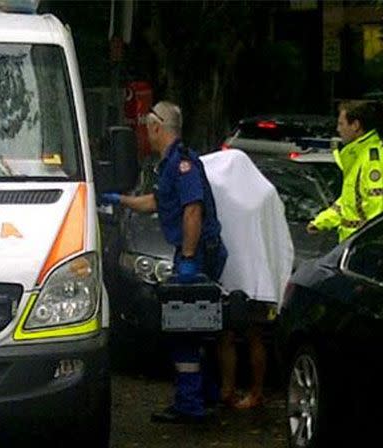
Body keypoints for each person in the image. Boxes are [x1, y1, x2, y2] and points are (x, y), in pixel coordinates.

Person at [100, 101, 227, 424]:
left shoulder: (182, 164)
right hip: (194, 252)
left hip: (196, 254)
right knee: (195, 328)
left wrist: (187, 258)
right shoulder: (170, 164)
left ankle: (190, 404)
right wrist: (121, 200)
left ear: (158, 127)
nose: (145, 132)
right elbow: (156, 201)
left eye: (147, 126)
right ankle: (205, 395)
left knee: (185, 330)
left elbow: (192, 210)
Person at [307, 101, 383, 241]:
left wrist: (368, 247)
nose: (338, 129)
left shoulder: (374, 162)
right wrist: (321, 222)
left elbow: (380, 212)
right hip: (352, 246)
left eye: (341, 124)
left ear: (355, 125)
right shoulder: (359, 158)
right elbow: (348, 203)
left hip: (364, 250)